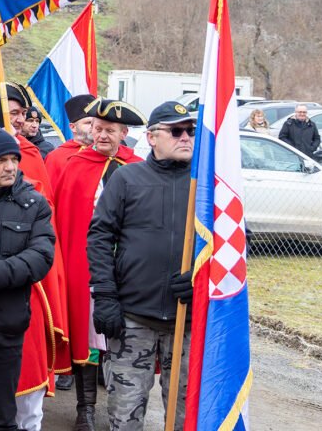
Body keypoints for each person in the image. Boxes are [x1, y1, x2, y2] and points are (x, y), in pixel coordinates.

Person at [87, 101, 197, 431]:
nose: (186, 138)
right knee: (125, 416)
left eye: (190, 131)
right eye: (176, 131)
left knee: (185, 418)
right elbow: (100, 237)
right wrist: (105, 296)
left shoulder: (206, 185)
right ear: (151, 137)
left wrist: (202, 279)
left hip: (188, 321)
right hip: (134, 318)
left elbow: (235, 244)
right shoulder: (127, 178)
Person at [53, 97, 146, 431]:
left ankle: (123, 410)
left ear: (123, 133)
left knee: (125, 337)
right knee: (87, 335)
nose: (103, 135)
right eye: (98, 127)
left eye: (111, 130)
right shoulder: (73, 164)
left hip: (128, 268)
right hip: (84, 265)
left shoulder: (135, 167)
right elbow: (62, 217)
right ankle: (85, 409)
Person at [0, 125, 56, 431]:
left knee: (2, 417)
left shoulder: (34, 204)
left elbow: (40, 258)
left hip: (7, 328)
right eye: (1, 160)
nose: (10, 167)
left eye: (14, 159)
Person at [44, 94, 98, 186]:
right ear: (73, 127)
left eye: (96, 123)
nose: (93, 128)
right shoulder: (56, 158)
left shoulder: (106, 152)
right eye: (88, 123)